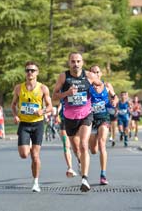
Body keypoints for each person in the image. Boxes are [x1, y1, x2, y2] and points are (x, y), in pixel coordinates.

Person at [52, 52, 102, 192]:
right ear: (69, 63)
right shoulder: (63, 77)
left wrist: (106, 93)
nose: (76, 64)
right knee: (76, 148)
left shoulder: (89, 76)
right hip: (69, 117)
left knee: (84, 145)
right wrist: (66, 94)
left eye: (78, 61)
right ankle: (80, 161)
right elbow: (54, 96)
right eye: (73, 61)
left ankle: (85, 179)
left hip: (86, 114)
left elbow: (101, 85)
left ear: (82, 62)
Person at [11, 61, 53, 192]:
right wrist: (15, 115)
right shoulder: (19, 88)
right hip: (24, 123)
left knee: (35, 155)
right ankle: (27, 145)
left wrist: (43, 111)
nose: (30, 72)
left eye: (32, 70)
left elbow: (50, 106)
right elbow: (13, 105)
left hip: (38, 123)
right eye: (27, 70)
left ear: (37, 73)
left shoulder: (43, 88)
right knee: (24, 154)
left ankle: (36, 182)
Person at [88, 65, 118, 185]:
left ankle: (103, 174)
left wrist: (114, 101)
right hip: (91, 119)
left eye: (97, 72)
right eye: (93, 72)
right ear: (90, 74)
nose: (96, 74)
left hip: (104, 118)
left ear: (101, 74)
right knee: (94, 150)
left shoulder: (107, 85)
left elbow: (114, 97)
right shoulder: (87, 87)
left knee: (102, 144)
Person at [57, 101, 80, 178]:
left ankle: (80, 161)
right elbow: (59, 104)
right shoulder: (62, 91)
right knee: (66, 145)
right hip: (64, 122)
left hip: (75, 121)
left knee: (76, 147)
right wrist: (56, 114)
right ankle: (70, 168)